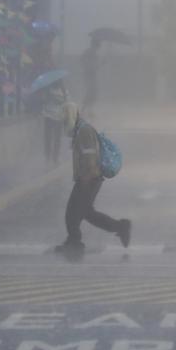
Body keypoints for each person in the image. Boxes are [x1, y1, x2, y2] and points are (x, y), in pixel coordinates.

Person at [56, 102, 131, 253]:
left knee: (72, 212)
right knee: (87, 212)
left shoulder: (84, 131)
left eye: (64, 119)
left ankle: (74, 241)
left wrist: (85, 179)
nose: (63, 123)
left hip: (89, 179)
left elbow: (90, 157)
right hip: (89, 178)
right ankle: (120, 227)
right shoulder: (80, 130)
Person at [42, 81, 68, 164]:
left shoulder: (48, 90)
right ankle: (54, 158)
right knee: (56, 138)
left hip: (49, 116)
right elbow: (67, 103)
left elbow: (44, 101)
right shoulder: (64, 91)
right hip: (57, 117)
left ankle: (48, 157)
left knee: (48, 137)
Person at [80, 37, 101, 119]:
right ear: (95, 45)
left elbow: (95, 66)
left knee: (92, 93)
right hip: (89, 75)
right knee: (91, 92)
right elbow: (83, 60)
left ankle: (88, 111)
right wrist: (88, 66)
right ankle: (85, 111)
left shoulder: (91, 52)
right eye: (99, 45)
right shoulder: (90, 52)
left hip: (91, 74)